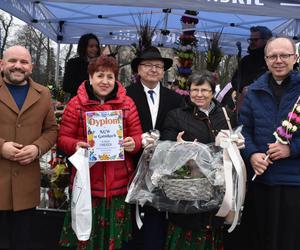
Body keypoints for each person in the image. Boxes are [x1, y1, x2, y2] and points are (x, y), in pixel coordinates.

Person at [58, 55, 142, 250]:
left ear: (116, 79)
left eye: (110, 77)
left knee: (114, 240)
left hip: (118, 184)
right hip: (86, 184)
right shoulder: (76, 104)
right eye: (100, 75)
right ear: (90, 77)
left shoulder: (127, 104)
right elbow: (63, 138)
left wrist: (133, 143)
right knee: (85, 238)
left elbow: (138, 136)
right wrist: (75, 145)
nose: (105, 81)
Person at [161, 71, 235, 250]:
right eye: (195, 90)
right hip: (189, 189)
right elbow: (164, 148)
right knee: (187, 234)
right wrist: (178, 147)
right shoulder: (176, 115)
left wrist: (235, 142)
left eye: (205, 90)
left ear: (212, 92)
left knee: (213, 229)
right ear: (189, 91)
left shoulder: (225, 114)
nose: (199, 95)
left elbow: (235, 142)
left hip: (218, 188)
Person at [239, 37, 300, 250]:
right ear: (265, 60)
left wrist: (291, 149)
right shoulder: (253, 91)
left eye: (284, 55)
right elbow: (244, 130)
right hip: (262, 182)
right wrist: (252, 154)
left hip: (294, 183)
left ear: (295, 58)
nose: (279, 60)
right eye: (273, 56)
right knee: (259, 239)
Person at [0, 45, 58, 250]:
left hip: (26, 185)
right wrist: (1, 147)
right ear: (2, 64)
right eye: (12, 61)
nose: (18, 66)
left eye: (24, 62)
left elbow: (52, 130)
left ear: (31, 67)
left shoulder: (42, 94)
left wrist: (37, 148)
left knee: (22, 242)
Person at [126, 46, 183, 250]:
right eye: (148, 65)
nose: (154, 69)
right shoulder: (126, 95)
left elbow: (179, 127)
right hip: (132, 165)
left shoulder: (175, 98)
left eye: (158, 66)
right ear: (138, 70)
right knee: (132, 217)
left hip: (163, 168)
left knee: (157, 218)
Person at [222, 26, 272, 110]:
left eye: (255, 40)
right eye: (250, 40)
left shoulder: (272, 60)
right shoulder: (245, 60)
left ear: (266, 40)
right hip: (243, 102)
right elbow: (235, 79)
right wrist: (241, 89)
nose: (251, 42)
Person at [63, 33, 101, 98]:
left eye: (96, 46)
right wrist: (89, 87)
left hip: (98, 103)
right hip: (78, 102)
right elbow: (66, 86)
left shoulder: (101, 64)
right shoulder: (73, 63)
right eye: (91, 46)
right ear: (83, 47)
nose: (95, 49)